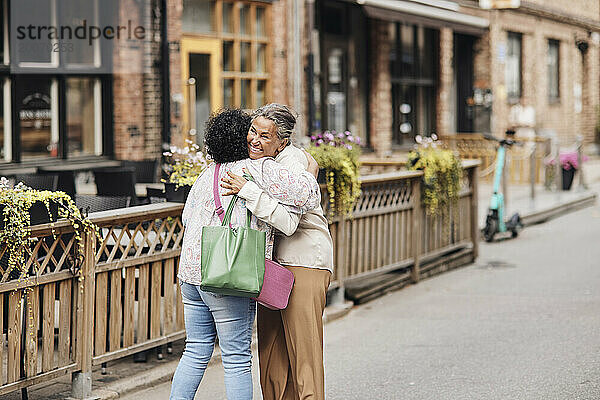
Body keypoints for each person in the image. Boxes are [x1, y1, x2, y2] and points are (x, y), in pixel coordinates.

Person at [170, 108, 321, 400]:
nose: (254, 139)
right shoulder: (258, 169)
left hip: (190, 276)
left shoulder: (207, 173)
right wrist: (310, 169)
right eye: (252, 132)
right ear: (243, 137)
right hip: (227, 275)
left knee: (195, 350)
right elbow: (309, 195)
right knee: (237, 358)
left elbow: (187, 218)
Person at [223, 103, 334, 400]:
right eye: (252, 131)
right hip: (272, 264)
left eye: (264, 136)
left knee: (303, 353)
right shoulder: (259, 161)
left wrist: (246, 190)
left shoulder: (294, 163)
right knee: (272, 354)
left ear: (282, 141)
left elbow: (288, 223)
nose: (254, 140)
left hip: (304, 261)